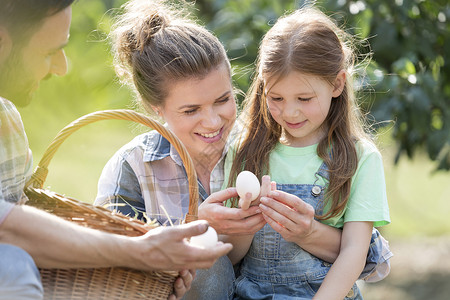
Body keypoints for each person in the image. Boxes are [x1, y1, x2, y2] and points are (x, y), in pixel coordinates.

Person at [95, 1, 392, 299]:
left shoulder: (251, 144)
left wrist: (308, 232)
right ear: (154, 108)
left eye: (223, 100)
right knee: (206, 265)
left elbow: (371, 259)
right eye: (190, 110)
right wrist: (199, 226)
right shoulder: (133, 167)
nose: (212, 122)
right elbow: (105, 267)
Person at [0, 1, 232, 300]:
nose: (62, 67)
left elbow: (26, 226)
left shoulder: (7, 123)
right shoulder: (132, 166)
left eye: (222, 100)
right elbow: (10, 229)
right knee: (13, 266)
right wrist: (141, 251)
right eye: (48, 51)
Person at [223, 6, 391, 300]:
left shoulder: (359, 158)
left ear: (337, 84)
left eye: (304, 98)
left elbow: (354, 252)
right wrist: (246, 222)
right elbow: (232, 258)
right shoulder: (247, 151)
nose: (289, 111)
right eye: (276, 97)